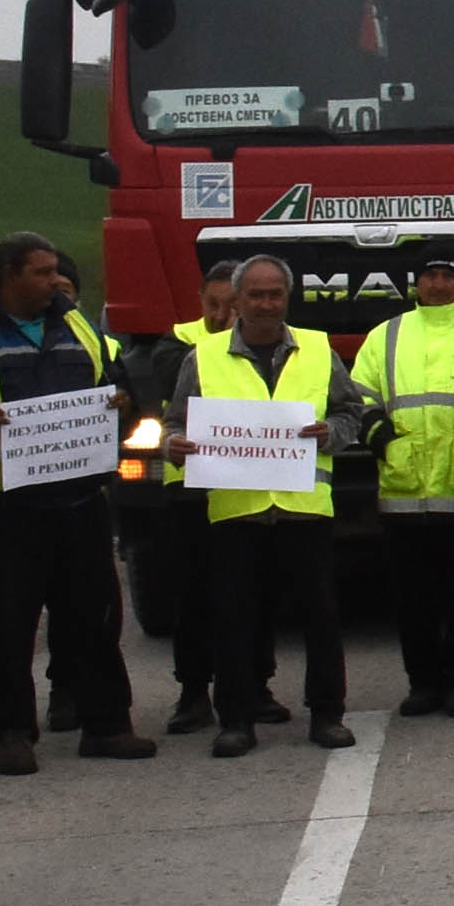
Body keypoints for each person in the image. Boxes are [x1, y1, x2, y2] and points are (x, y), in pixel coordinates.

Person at [0, 230, 153, 769]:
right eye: (41, 273)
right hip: (5, 504)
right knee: (7, 622)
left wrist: (122, 403)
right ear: (8, 276)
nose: (54, 282)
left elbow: (114, 387)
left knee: (95, 615)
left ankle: (106, 724)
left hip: (80, 496)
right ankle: (9, 732)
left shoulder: (77, 324)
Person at [164, 256, 360, 754]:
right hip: (236, 511)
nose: (267, 304)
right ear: (238, 300)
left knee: (320, 616)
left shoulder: (317, 349)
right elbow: (172, 423)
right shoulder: (202, 357)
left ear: (287, 298)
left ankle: (328, 714)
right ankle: (236, 719)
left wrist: (331, 434)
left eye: (275, 294)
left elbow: (350, 411)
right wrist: (176, 445)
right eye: (256, 295)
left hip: (304, 508)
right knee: (234, 616)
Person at [352, 253, 454, 719]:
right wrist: (381, 441)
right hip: (404, 488)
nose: (438, 284)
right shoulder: (386, 335)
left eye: (447, 275)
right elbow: (357, 397)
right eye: (430, 276)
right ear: (416, 284)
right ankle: (422, 684)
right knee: (412, 598)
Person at [112, 260, 235, 733]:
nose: (223, 315)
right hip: (190, 488)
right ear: (200, 301)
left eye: (232, 305)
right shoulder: (176, 344)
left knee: (247, 593)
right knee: (192, 597)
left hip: (244, 484)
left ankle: (252, 688)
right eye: (214, 305)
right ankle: (193, 693)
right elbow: (170, 383)